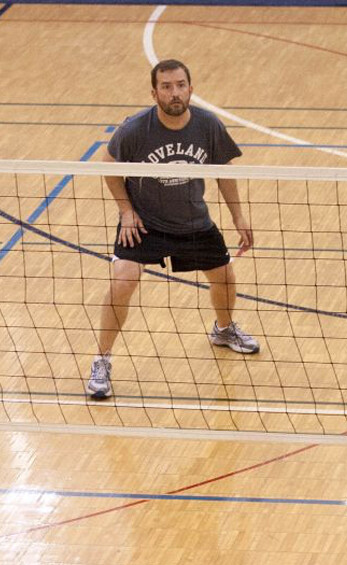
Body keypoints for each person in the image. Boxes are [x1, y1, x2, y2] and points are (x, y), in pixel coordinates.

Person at [85, 58, 258, 400]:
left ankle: (223, 330)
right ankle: (101, 360)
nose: (174, 93)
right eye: (166, 87)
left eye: (180, 85)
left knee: (223, 276)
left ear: (191, 89)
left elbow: (224, 171)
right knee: (122, 282)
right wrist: (126, 211)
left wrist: (238, 216)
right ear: (155, 93)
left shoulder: (208, 125)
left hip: (193, 222)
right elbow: (108, 167)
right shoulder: (135, 129)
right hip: (144, 225)